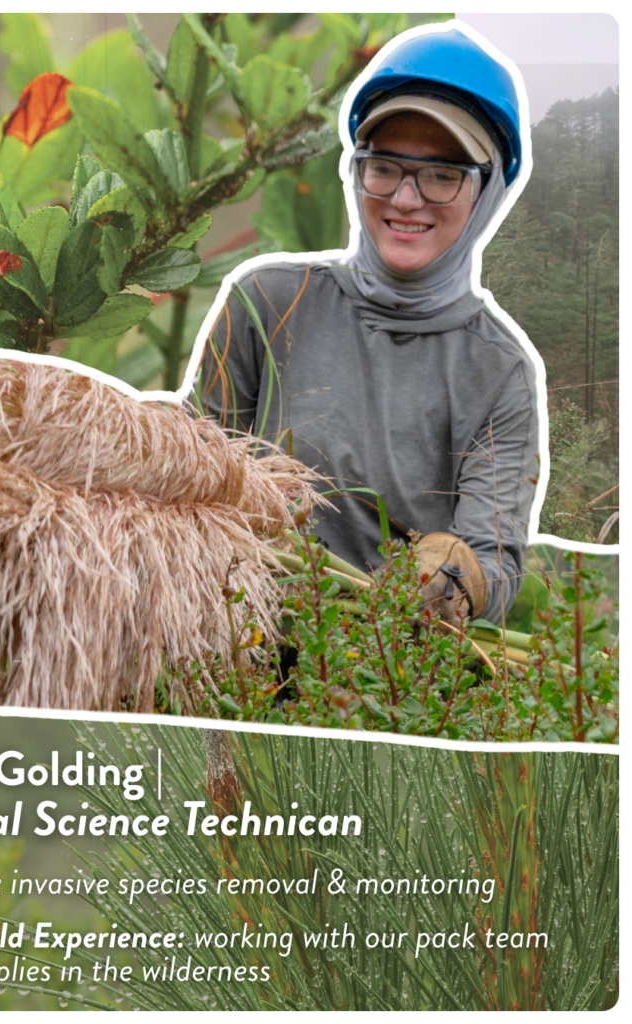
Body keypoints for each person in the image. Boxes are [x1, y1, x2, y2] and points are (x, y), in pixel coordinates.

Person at [199, 23, 541, 625]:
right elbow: (194, 477)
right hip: (238, 650)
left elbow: (497, 556)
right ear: (357, 170)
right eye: (385, 166)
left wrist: (452, 578)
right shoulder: (266, 303)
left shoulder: (498, 369)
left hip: (388, 676)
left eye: (442, 175)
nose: (406, 199)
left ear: (486, 193)